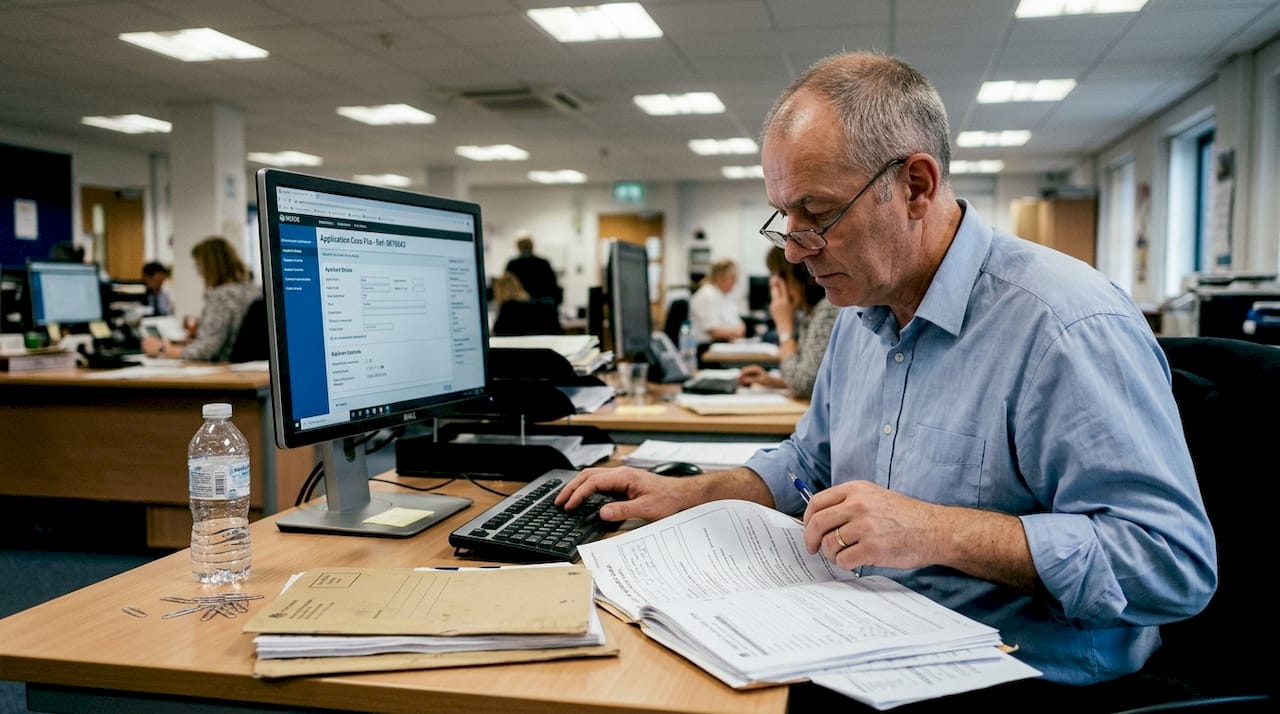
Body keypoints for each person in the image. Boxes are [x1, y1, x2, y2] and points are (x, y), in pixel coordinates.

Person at [557, 51, 1215, 704]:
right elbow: (806, 465)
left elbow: (1171, 563)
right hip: (865, 641)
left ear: (916, 187)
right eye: (784, 215)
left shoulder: (1066, 326)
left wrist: (938, 530)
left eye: (817, 213)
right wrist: (694, 495)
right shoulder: (861, 310)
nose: (792, 248)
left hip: (1020, 678)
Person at [736, 246, 838, 398]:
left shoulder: (828, 310)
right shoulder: (811, 313)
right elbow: (814, 380)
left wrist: (785, 327)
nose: (775, 286)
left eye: (778, 276)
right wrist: (773, 381)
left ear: (799, 276)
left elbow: (804, 385)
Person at [141, 236, 260, 361]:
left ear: (210, 266)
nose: (198, 271)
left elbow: (206, 351)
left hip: (224, 370)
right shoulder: (255, 290)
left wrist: (162, 349)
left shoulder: (221, 296)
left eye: (198, 264)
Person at [687, 258, 746, 343]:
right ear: (720, 277)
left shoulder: (725, 296)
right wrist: (737, 331)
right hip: (707, 347)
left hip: (724, 344)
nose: (736, 281)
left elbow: (739, 324)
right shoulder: (707, 295)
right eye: (732, 277)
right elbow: (714, 332)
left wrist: (738, 330)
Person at [491, 271, 562, 336]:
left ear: (499, 291)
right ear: (518, 286)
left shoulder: (507, 309)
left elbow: (497, 334)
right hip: (545, 346)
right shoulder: (544, 305)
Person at [504, 230, 562, 307]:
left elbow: (507, 288)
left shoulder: (513, 264)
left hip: (520, 307)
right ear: (532, 245)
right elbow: (553, 287)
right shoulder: (543, 263)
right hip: (542, 307)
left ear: (518, 247)